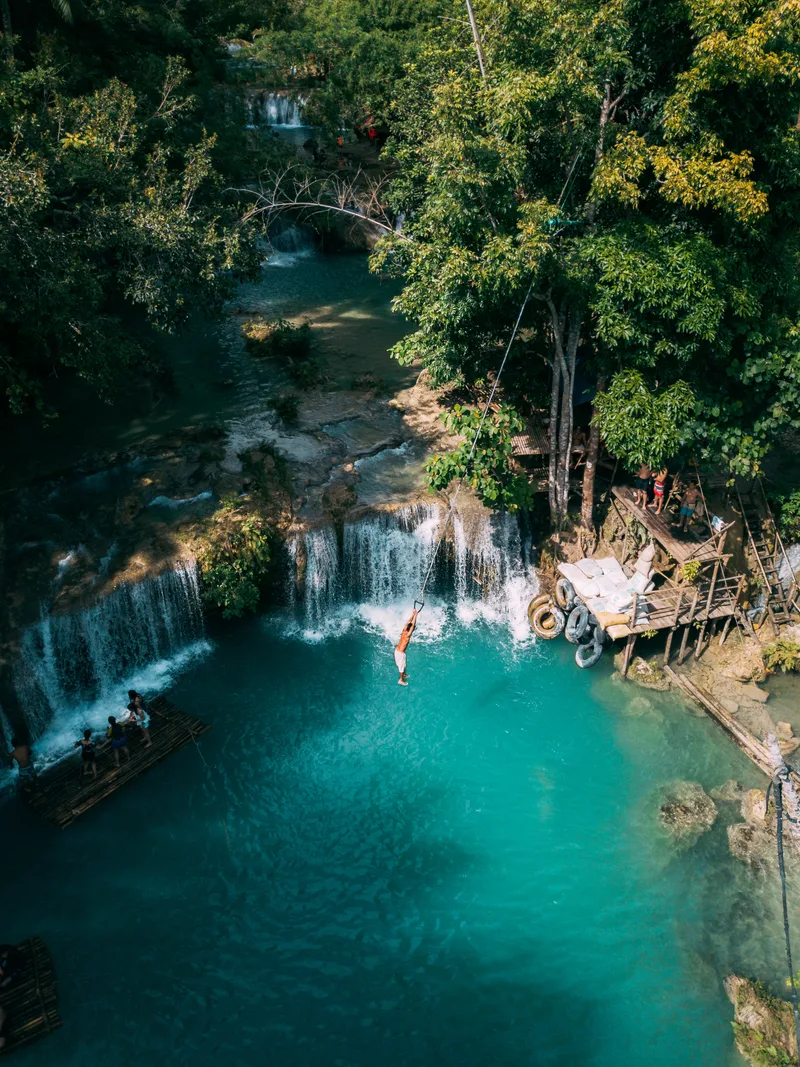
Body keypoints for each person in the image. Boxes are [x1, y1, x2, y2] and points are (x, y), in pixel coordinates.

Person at [395, 609, 418, 686]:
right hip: (400, 653)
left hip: (397, 651)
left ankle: (403, 674)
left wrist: (413, 614)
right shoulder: (408, 636)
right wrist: (416, 616)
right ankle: (401, 679)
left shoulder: (404, 630)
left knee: (403, 665)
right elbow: (412, 626)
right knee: (401, 667)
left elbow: (408, 622)